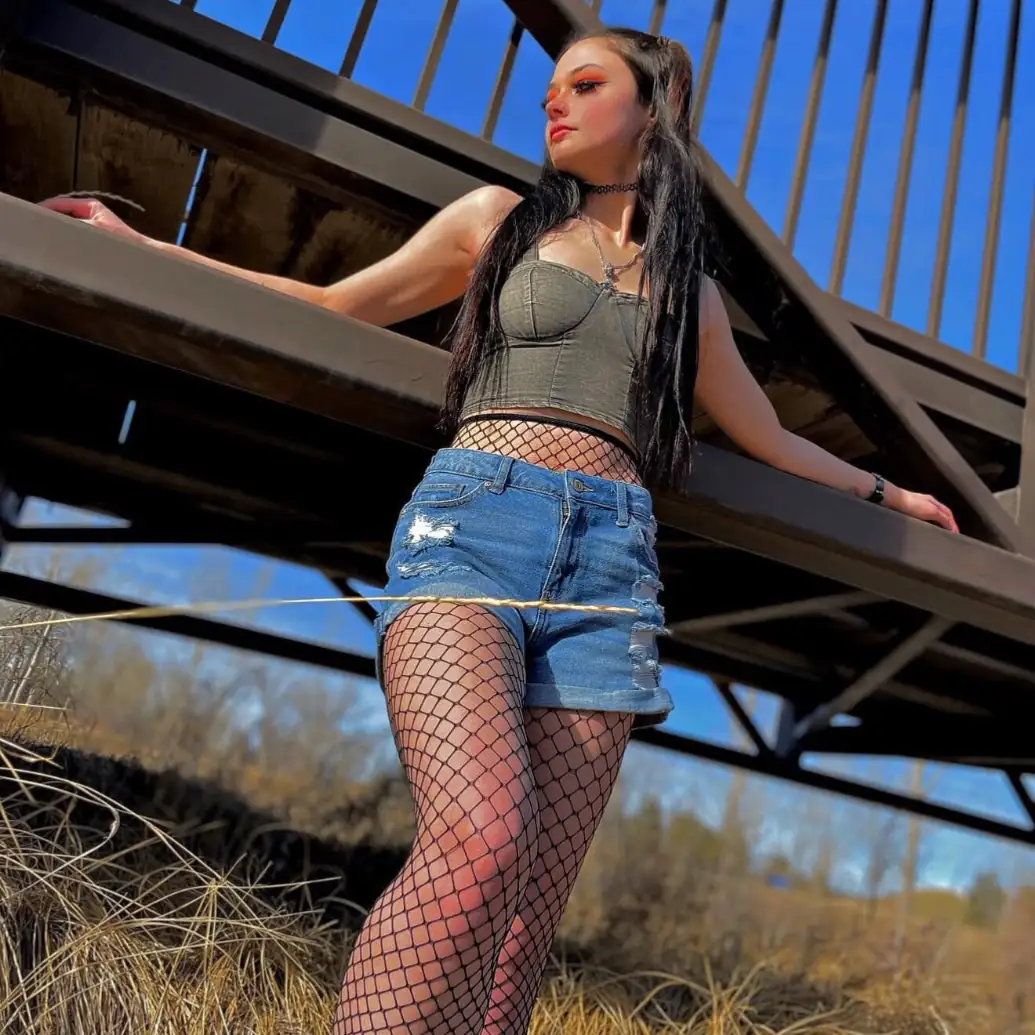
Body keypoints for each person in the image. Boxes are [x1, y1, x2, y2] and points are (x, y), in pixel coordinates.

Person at [41, 25, 958, 1035]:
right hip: (476, 529)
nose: (552, 101)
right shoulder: (498, 222)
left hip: (610, 569)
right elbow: (337, 301)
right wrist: (144, 248)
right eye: (551, 86)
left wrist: (889, 494)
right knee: (481, 842)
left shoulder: (689, 294)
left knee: (527, 914)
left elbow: (770, 437)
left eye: (586, 83)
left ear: (653, 110)